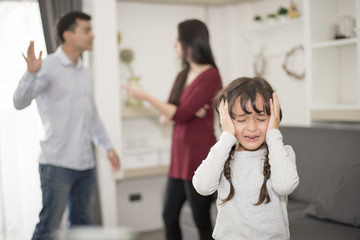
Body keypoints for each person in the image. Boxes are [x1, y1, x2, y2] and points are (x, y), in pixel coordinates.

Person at [13, 11, 121, 240]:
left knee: (83, 228)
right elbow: (19, 102)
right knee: (48, 227)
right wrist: (30, 74)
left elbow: (91, 116)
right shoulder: (47, 66)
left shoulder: (84, 71)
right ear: (68, 35)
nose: (92, 35)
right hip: (57, 164)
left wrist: (108, 146)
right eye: (86, 30)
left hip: (86, 165)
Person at [123, 19, 222, 240]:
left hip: (199, 158)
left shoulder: (211, 75)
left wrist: (147, 97)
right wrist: (182, 112)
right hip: (179, 159)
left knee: (201, 221)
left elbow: (177, 114)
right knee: (169, 216)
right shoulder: (181, 75)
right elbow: (165, 118)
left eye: (177, 39)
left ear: (190, 42)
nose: (174, 44)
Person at [192, 77, 299, 240]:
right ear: (226, 120)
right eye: (241, 120)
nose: (251, 127)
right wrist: (227, 136)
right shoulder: (222, 155)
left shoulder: (283, 153)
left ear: (273, 119)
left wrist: (273, 134)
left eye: (261, 119)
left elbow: (285, 186)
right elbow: (202, 186)